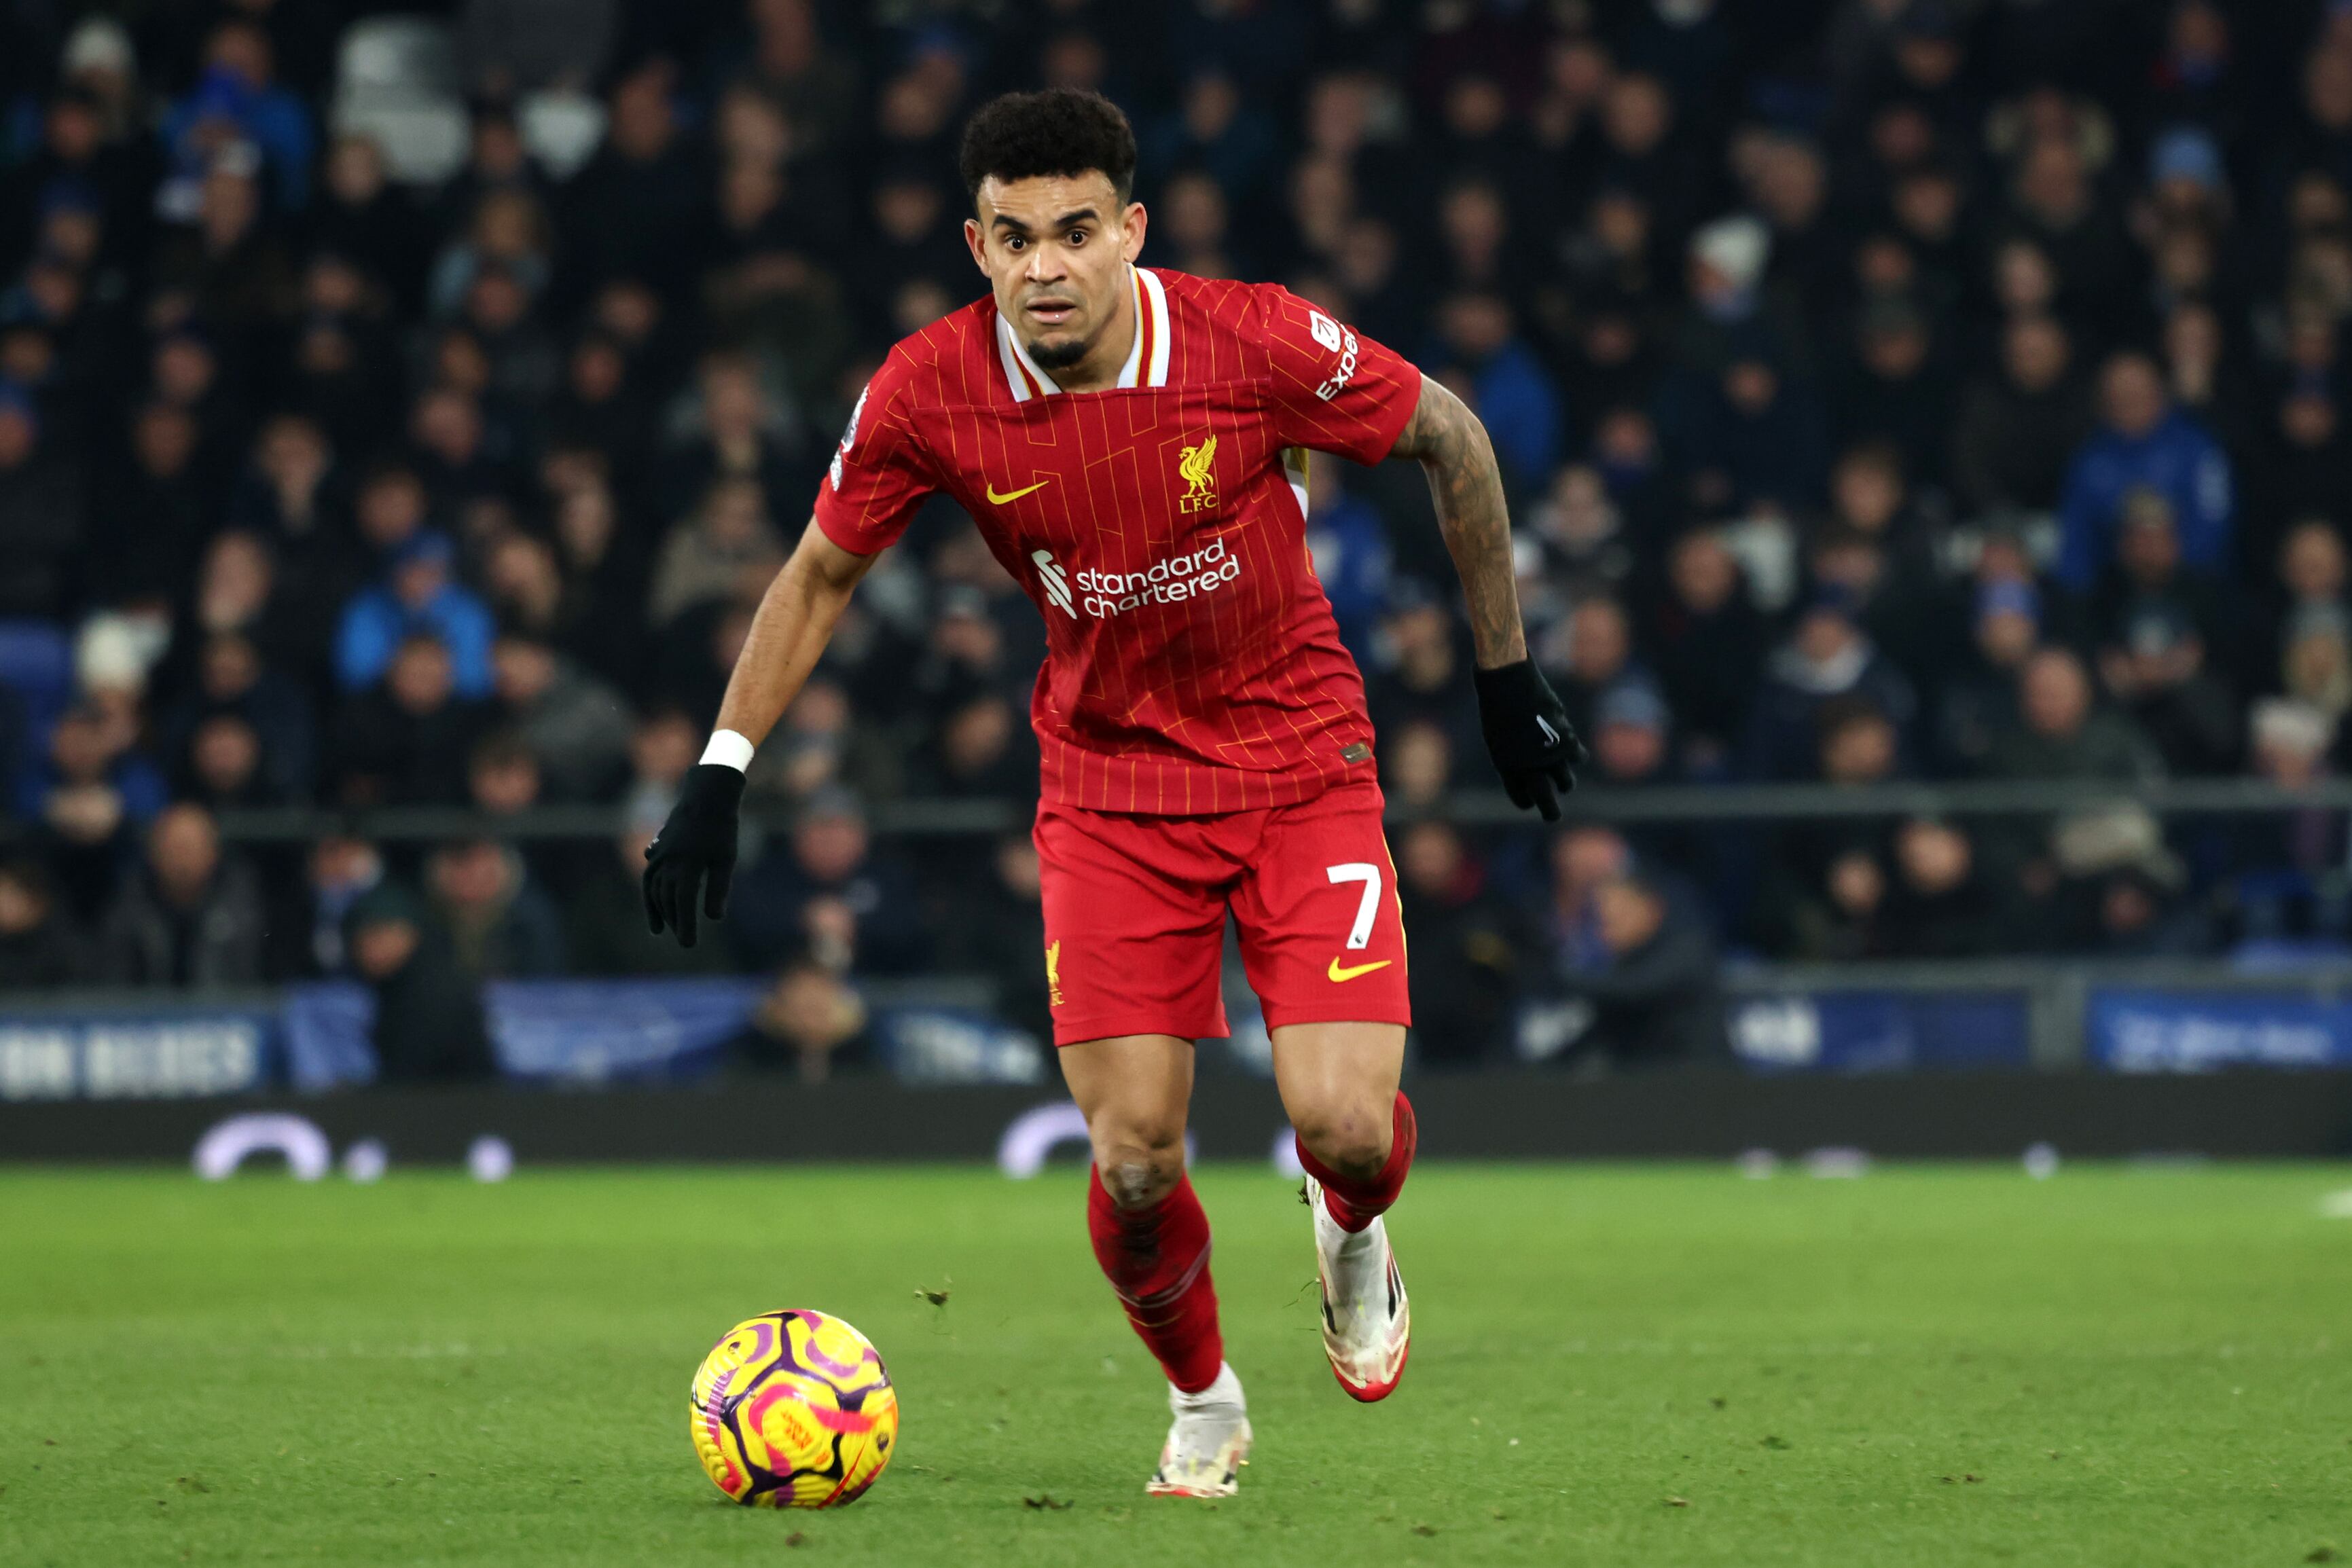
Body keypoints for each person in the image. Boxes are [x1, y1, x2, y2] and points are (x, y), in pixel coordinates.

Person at [640, 89, 1584, 1499]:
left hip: (1296, 760)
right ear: (976, 246)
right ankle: (1203, 1400)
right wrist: (721, 771)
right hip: (1107, 788)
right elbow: (821, 571)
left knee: (1340, 1126)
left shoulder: (1248, 338)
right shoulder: (927, 390)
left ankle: (1350, 1223)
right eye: (1014, 238)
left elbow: (1452, 437)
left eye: (1076, 231)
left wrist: (1504, 683)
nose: (1046, 267)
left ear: (1129, 232)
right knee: (1136, 1160)